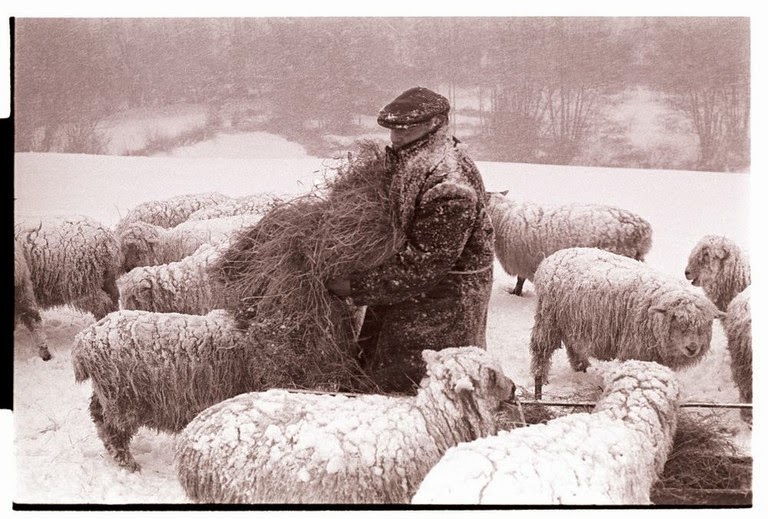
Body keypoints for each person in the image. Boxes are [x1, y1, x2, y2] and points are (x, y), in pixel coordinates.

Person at [327, 86, 495, 394]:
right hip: (406, 291)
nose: (395, 137)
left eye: (406, 129)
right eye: (392, 129)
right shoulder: (415, 158)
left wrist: (356, 286)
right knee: (382, 370)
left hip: (442, 303)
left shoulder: (450, 183)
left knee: (420, 385)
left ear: (435, 124)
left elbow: (425, 263)